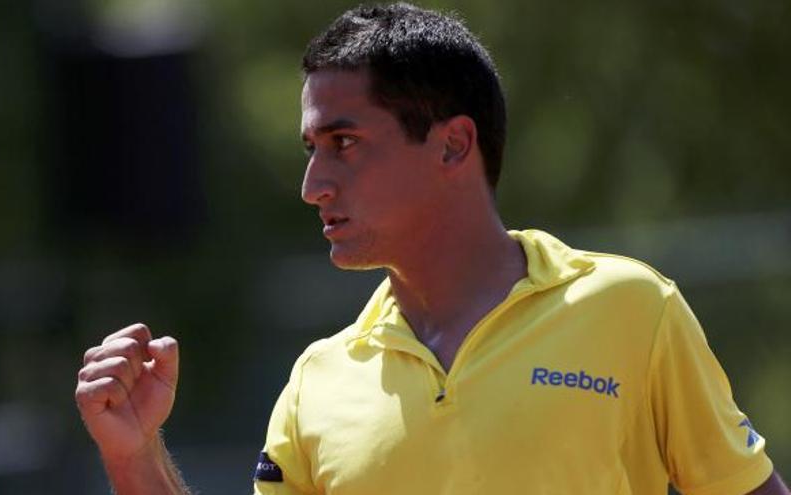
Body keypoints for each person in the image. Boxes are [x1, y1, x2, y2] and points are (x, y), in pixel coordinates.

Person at [74, 3, 788, 494]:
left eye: (344, 143)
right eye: (310, 149)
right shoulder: (317, 382)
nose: (312, 184)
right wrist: (134, 455)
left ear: (453, 143)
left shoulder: (632, 307)